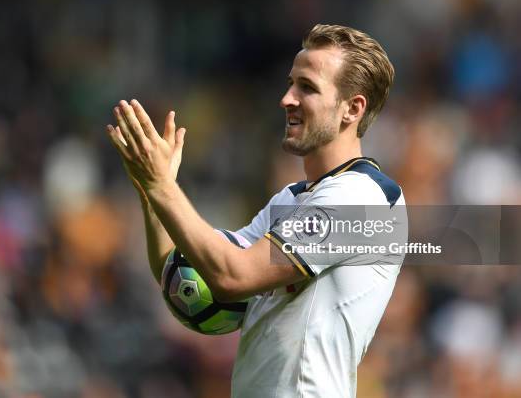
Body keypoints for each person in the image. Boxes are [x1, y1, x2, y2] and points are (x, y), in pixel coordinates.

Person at [107, 24, 406, 398]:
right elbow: (185, 274)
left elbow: (233, 277)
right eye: (291, 83)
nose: (287, 98)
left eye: (307, 87)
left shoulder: (363, 200)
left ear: (352, 108)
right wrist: (151, 195)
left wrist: (163, 189)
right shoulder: (289, 200)